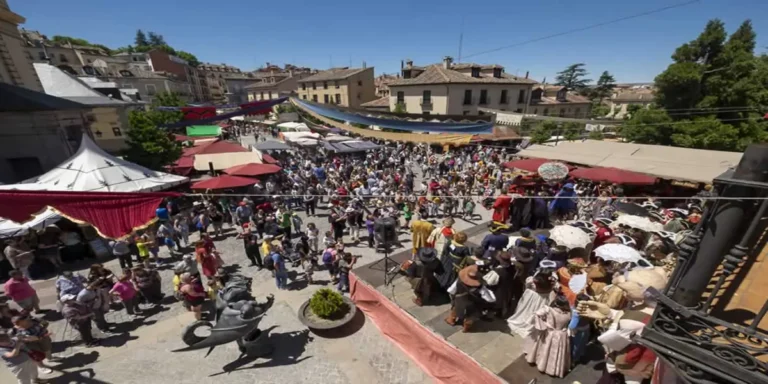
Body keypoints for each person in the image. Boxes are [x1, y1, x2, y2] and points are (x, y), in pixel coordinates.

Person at [523, 295, 572, 378]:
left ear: (556, 303)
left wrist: (543, 324)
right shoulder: (569, 313)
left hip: (550, 333)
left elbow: (536, 314)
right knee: (558, 353)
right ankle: (554, 369)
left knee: (545, 349)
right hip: (562, 335)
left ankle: (542, 365)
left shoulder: (549, 310)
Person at [507, 267, 558, 338]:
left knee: (525, 310)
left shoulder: (532, 280)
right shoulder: (552, 283)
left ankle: (521, 320)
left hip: (531, 296)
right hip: (542, 300)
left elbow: (527, 286)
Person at [445, 264, 484, 333]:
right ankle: (466, 328)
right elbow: (489, 298)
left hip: (459, 300)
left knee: (455, 309)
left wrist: (453, 298)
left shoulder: (459, 280)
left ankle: (451, 320)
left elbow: (451, 290)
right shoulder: (481, 286)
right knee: (471, 316)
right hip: (472, 303)